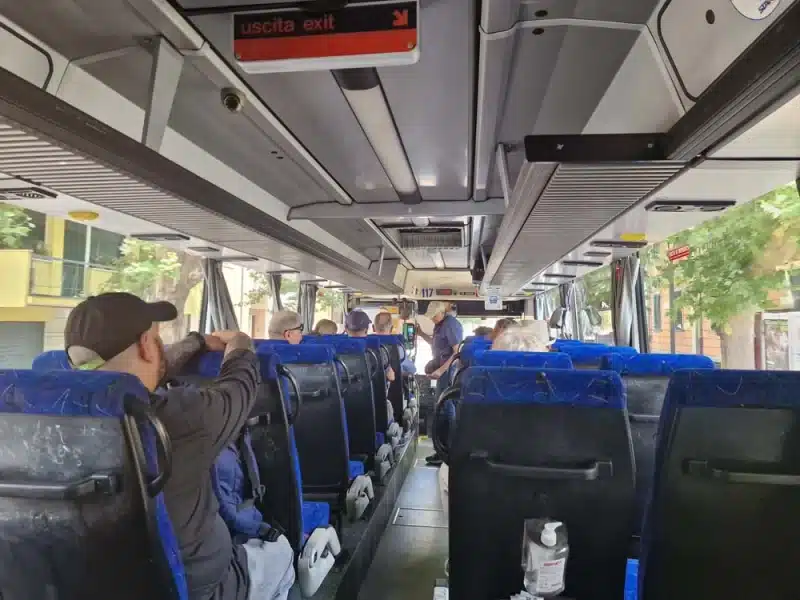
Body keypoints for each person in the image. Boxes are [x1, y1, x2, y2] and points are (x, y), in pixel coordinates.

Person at [63, 292, 295, 600]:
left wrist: (196, 341)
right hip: (199, 587)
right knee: (283, 557)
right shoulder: (177, 416)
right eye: (157, 340)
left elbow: (128, 373)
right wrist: (240, 341)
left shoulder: (37, 417)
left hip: (82, 586)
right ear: (147, 345)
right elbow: (240, 385)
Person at [417, 301, 463, 466]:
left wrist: (442, 370)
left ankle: (446, 451)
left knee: (446, 408)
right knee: (442, 407)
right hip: (443, 369)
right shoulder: (440, 324)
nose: (433, 319)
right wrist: (421, 334)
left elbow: (457, 352)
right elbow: (438, 345)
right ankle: (441, 450)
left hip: (448, 372)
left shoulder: (450, 325)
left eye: (434, 316)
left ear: (442, 312)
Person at [347, 310, 395, 426]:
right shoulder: (377, 351)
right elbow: (391, 377)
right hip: (372, 407)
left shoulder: (334, 351)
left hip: (344, 407)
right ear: (367, 329)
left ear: (346, 328)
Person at [373, 311, 416, 375]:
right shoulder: (399, 349)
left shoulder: (365, 347)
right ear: (392, 328)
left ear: (373, 328)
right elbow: (412, 370)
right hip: (393, 384)